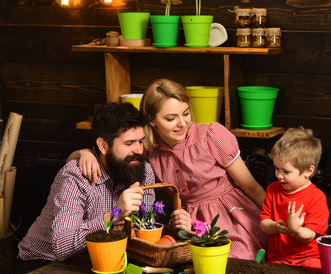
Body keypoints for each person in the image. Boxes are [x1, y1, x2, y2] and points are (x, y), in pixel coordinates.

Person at [70, 78, 268, 260]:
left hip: (231, 217)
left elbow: (252, 187)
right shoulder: (148, 149)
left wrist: (280, 222)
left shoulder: (211, 136)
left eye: (186, 113)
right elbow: (72, 162)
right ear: (152, 121)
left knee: (234, 259)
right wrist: (85, 152)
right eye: (171, 118)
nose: (182, 123)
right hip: (184, 223)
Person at [15, 102, 156, 274]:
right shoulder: (75, 176)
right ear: (103, 146)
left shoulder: (143, 170)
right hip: (44, 262)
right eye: (129, 143)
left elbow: (143, 229)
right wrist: (114, 214)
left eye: (140, 141)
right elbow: (62, 247)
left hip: (101, 260)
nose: (139, 150)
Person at [260, 127, 329, 268]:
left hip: (309, 257)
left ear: (308, 171)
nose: (279, 175)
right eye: (276, 168)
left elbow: (309, 235)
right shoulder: (272, 190)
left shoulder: (317, 197)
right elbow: (264, 223)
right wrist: (275, 226)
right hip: (279, 257)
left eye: (286, 171)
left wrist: (296, 230)